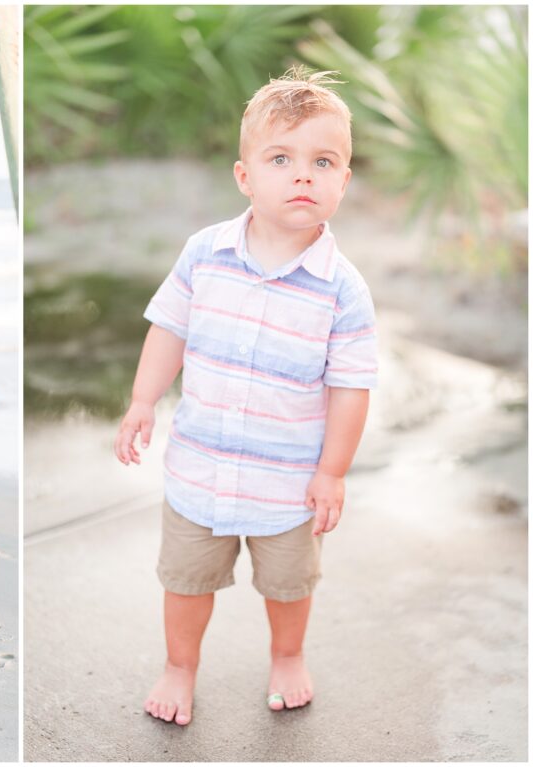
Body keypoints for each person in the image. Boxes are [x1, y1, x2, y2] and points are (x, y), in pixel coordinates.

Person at [114, 68, 377, 724]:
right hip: (199, 470)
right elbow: (169, 328)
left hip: (287, 482)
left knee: (289, 584)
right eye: (281, 159)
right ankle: (180, 666)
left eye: (323, 162)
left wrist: (332, 470)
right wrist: (144, 400)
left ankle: (287, 654)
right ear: (244, 176)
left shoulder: (342, 290)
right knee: (185, 581)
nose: (303, 176)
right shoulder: (206, 254)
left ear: (343, 181)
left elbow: (350, 386)